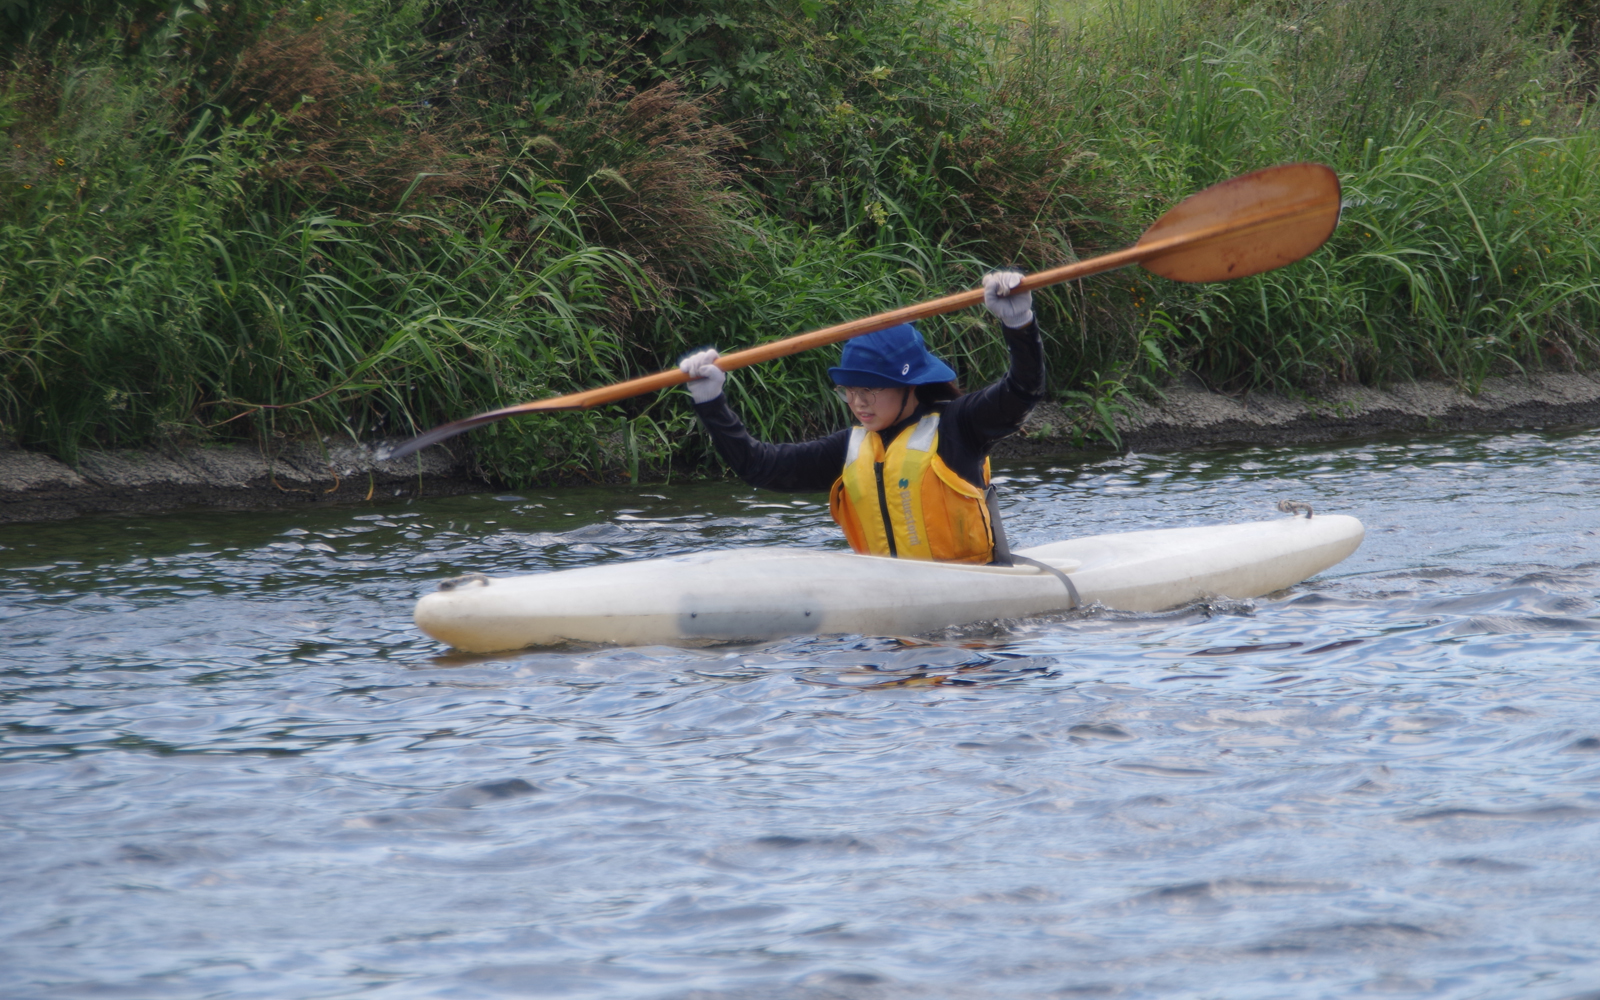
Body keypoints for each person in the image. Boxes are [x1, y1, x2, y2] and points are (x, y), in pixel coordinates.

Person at [678, 270, 1044, 565]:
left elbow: (1023, 389)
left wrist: (1019, 325)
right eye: (849, 391)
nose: (857, 403)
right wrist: (710, 400)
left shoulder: (958, 426)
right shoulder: (848, 448)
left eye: (869, 391)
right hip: (889, 615)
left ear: (910, 386)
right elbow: (758, 466)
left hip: (973, 601)